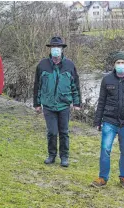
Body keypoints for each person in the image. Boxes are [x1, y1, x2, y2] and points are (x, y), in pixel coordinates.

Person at [91, 51, 124, 189]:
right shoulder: (107, 80)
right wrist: (97, 121)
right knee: (105, 149)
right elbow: (101, 101)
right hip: (109, 121)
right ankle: (102, 178)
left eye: (123, 63)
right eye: (118, 63)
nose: (121, 65)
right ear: (114, 65)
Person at [33, 36, 81, 167]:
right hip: (48, 105)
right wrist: (37, 104)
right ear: (50, 49)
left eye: (58, 47)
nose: (56, 50)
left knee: (64, 132)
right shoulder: (42, 65)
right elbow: (37, 85)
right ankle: (51, 155)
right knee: (52, 132)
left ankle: (64, 156)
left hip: (64, 104)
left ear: (62, 49)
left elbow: (75, 85)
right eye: (53, 47)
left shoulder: (70, 65)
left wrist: (77, 103)